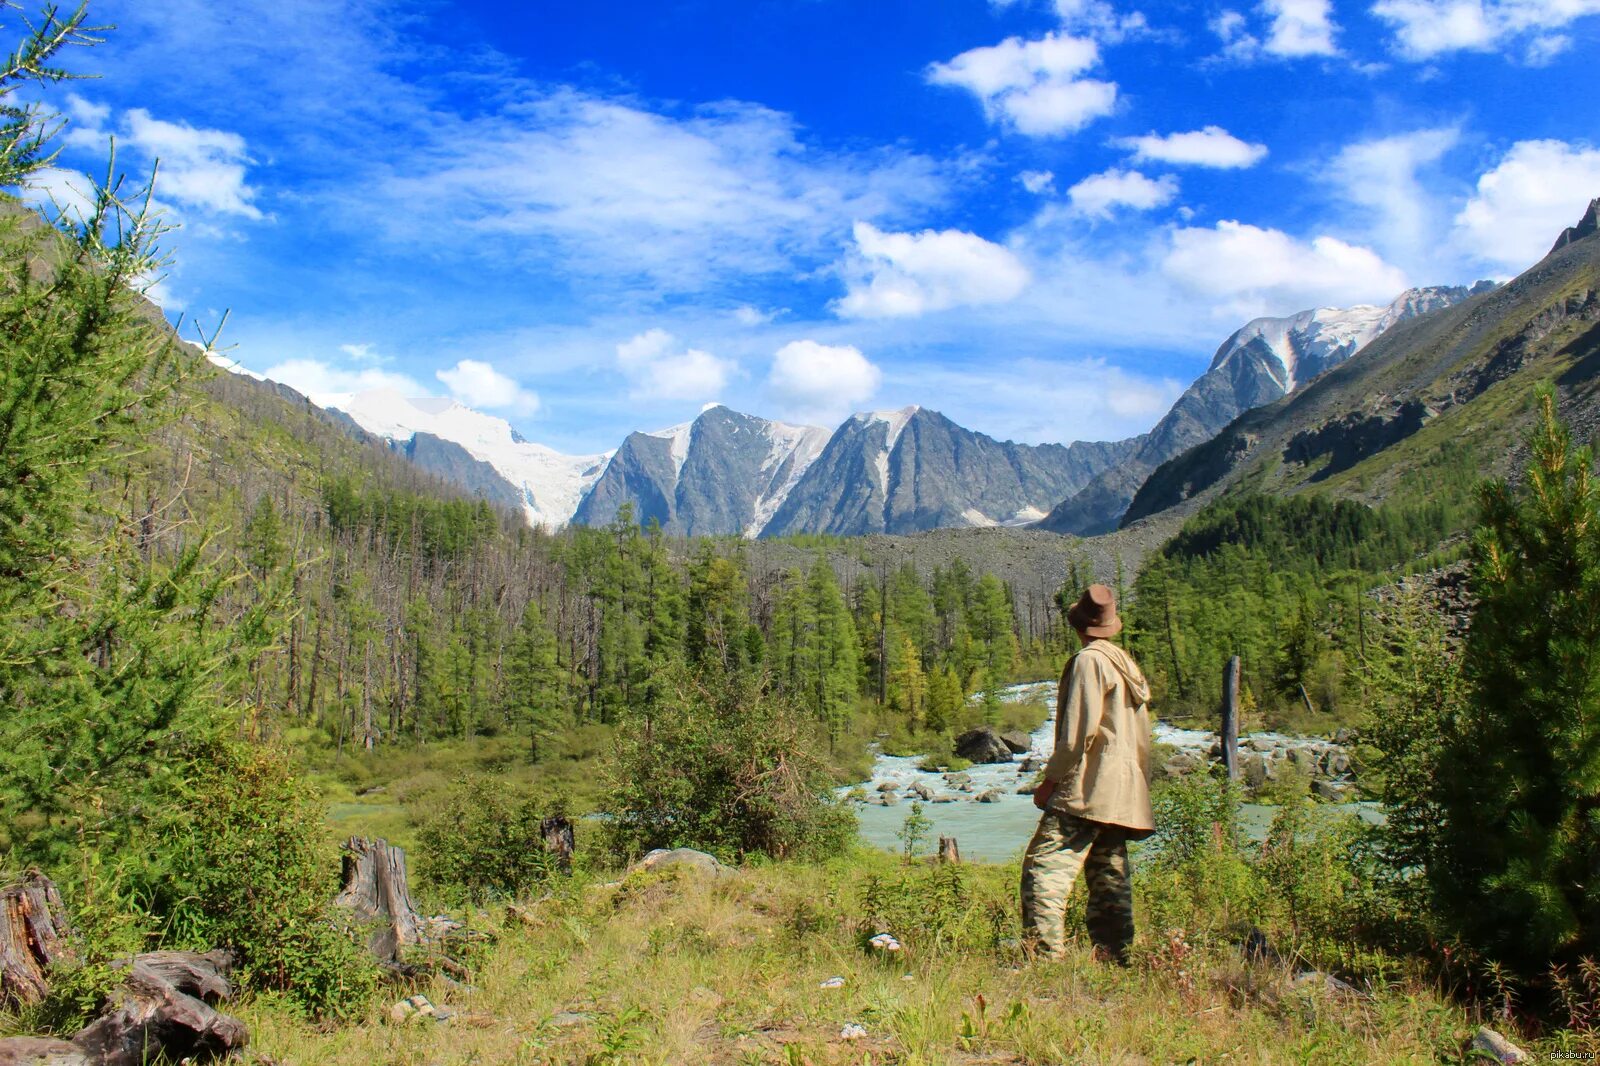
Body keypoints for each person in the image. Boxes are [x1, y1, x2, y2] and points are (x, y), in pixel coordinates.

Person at [1021, 583, 1153, 964]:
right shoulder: (1125, 664)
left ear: (1080, 625)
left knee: (1044, 870)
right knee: (1109, 875)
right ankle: (1116, 957)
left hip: (1089, 787)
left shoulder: (1088, 662)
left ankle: (1044, 959)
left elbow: (1077, 736)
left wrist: (1049, 782)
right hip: (1124, 791)